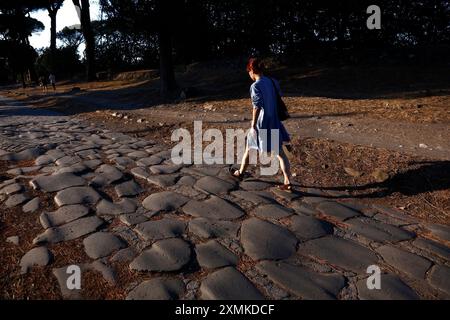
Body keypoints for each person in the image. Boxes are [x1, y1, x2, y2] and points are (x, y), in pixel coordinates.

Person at [231, 58, 293, 191]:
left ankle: (240, 173)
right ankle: (287, 182)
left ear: (252, 70)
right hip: (274, 120)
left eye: (248, 72)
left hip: (262, 122)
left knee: (249, 147)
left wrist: (253, 125)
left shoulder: (255, 86)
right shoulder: (272, 81)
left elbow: (257, 107)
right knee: (280, 153)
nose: (249, 75)